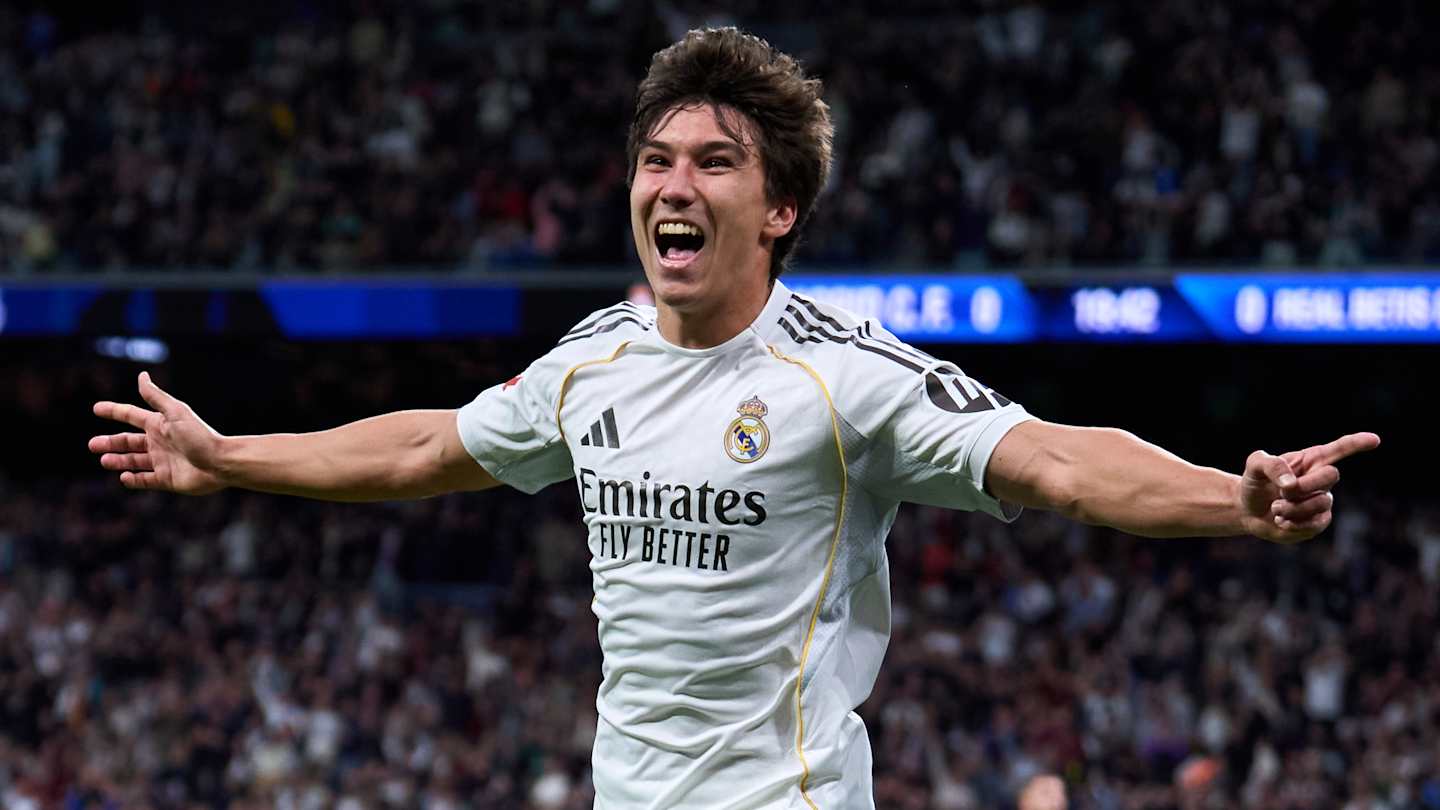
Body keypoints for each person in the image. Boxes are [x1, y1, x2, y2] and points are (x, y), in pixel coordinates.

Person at [89, 27, 1378, 810]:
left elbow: (1049, 459)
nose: (675, 184)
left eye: (715, 162)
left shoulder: (847, 376)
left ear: (779, 211)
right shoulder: (592, 361)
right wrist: (227, 457)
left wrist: (1231, 499)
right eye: (657, 159)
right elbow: (429, 445)